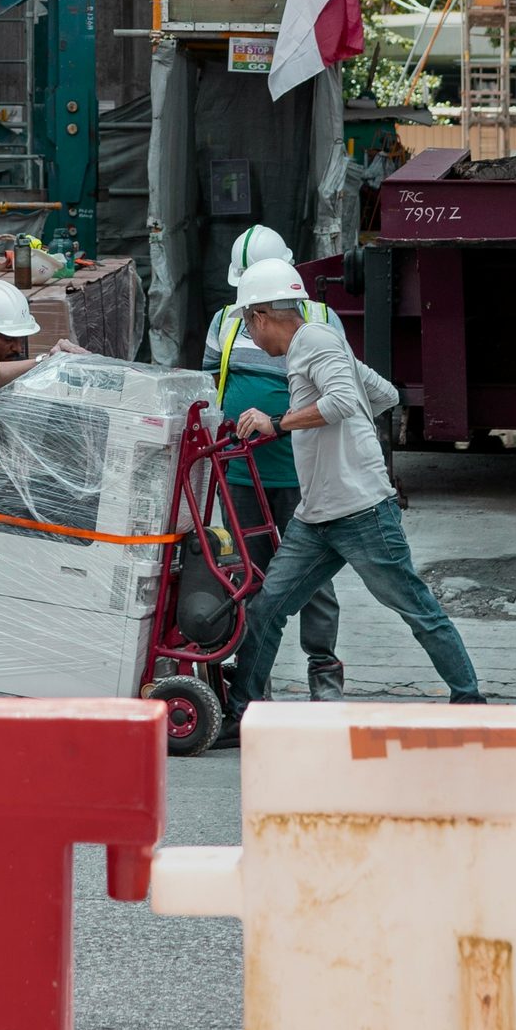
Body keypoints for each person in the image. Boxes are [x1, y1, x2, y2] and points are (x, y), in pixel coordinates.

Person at [219, 256, 483, 734]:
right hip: (317, 513)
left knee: (416, 608)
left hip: (362, 511)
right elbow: (384, 395)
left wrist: (277, 423)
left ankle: (471, 700)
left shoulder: (314, 342)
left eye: (249, 329)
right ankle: (240, 712)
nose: (253, 340)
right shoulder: (326, 342)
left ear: (260, 315)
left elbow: (341, 402)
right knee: (267, 608)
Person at [204, 223, 345, 699]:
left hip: (305, 473)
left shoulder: (321, 319)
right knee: (248, 580)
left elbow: (339, 394)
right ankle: (251, 685)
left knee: (314, 576)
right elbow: (209, 389)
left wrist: (278, 420)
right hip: (242, 474)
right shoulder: (224, 321)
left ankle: (323, 673)